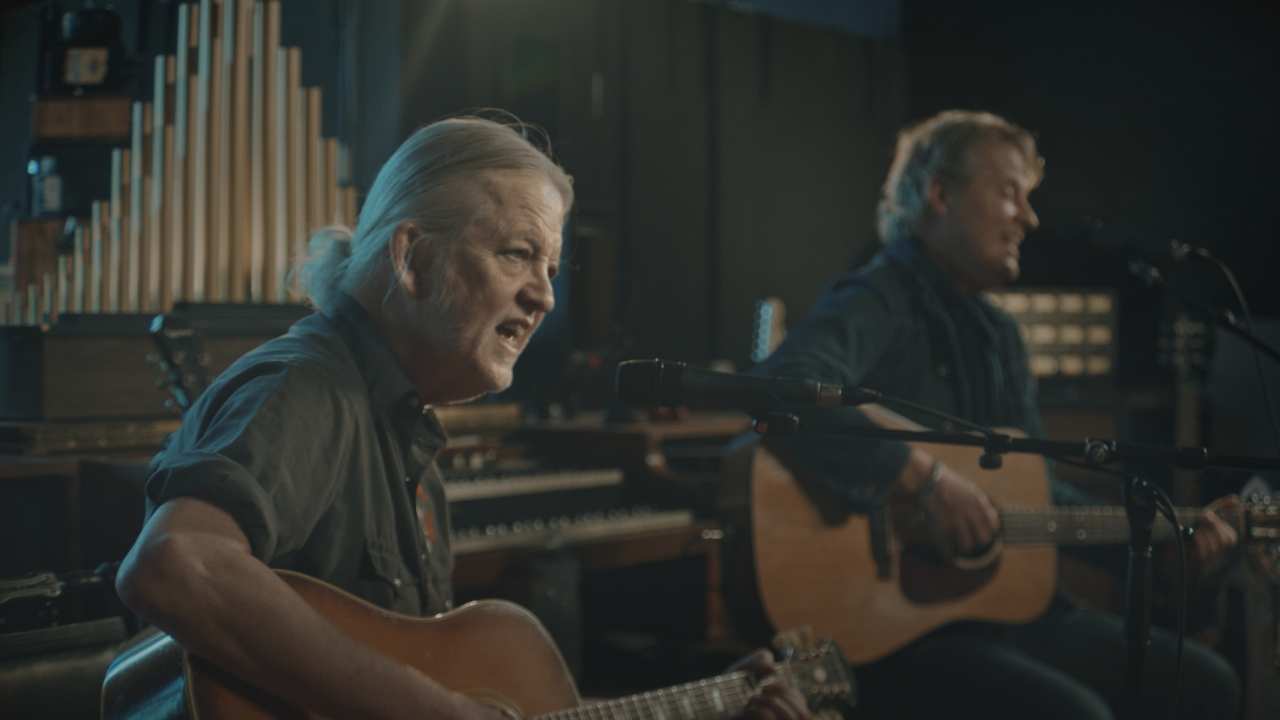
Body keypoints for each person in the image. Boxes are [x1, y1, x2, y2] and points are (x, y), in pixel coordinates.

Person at [116, 116, 810, 720]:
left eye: (551, 269)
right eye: (517, 253)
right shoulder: (310, 387)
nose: (543, 298)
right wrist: (439, 710)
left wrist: (709, 707)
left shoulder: (407, 440)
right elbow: (175, 563)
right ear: (413, 258)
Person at [754, 110, 1241, 719]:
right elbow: (780, 385)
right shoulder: (879, 297)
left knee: (1204, 685)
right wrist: (921, 480)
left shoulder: (1000, 336)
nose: (1029, 219)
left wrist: (1156, 537)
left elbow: (1033, 497)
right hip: (897, 628)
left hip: (1000, 611)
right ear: (939, 194)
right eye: (1009, 194)